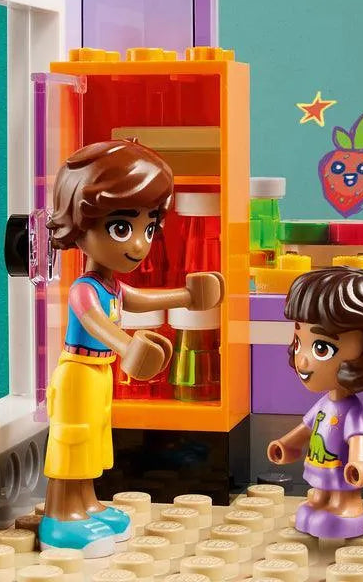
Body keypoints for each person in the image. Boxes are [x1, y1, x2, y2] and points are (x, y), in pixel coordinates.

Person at [39, 140, 224, 556]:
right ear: (79, 224)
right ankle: (59, 518)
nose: (140, 244)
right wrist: (127, 348)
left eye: (149, 228)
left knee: (92, 444)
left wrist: (188, 297)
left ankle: (86, 505)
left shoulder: (112, 286)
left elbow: (138, 300)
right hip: (79, 374)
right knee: (72, 443)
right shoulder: (84, 289)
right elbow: (96, 323)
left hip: (99, 375)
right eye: (122, 228)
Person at [267, 267, 363, 538]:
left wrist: (359, 463)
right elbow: (307, 428)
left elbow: (357, 441)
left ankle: (346, 506)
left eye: (321, 348)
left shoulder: (353, 411)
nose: (302, 359)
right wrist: (287, 444)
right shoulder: (323, 404)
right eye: (299, 341)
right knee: (318, 496)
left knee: (342, 496)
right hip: (321, 465)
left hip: (341, 471)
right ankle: (320, 501)